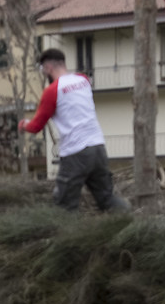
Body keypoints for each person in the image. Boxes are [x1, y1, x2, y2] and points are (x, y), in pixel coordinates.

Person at [21, 49, 120, 213]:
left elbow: (36, 126)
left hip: (76, 153)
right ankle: (132, 220)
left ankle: (66, 237)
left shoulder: (52, 91)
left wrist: (23, 125)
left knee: (64, 207)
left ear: (48, 67)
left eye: (43, 69)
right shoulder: (83, 80)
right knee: (107, 200)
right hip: (98, 148)